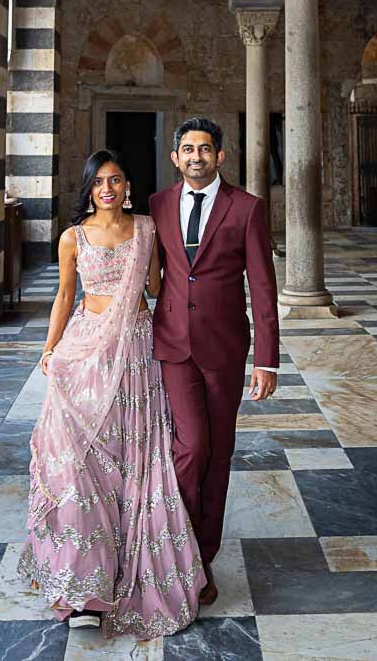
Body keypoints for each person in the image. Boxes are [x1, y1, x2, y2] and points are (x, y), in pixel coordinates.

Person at [19, 149, 205, 639]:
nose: (107, 189)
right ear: (89, 188)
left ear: (127, 188)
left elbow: (156, 288)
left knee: (131, 456)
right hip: (85, 348)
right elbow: (64, 296)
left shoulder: (146, 230)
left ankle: (130, 567)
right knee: (79, 459)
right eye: (99, 181)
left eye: (116, 180)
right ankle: (85, 585)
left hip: (136, 352)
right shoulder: (72, 237)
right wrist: (50, 349)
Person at [150, 117, 280, 606]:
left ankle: (202, 559)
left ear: (220, 156)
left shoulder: (246, 209)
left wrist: (267, 361)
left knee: (218, 453)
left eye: (205, 148)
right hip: (173, 346)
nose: (196, 157)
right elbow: (146, 271)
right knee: (191, 448)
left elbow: (263, 287)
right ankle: (176, 553)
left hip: (225, 349)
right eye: (188, 149)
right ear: (175, 157)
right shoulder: (157, 205)